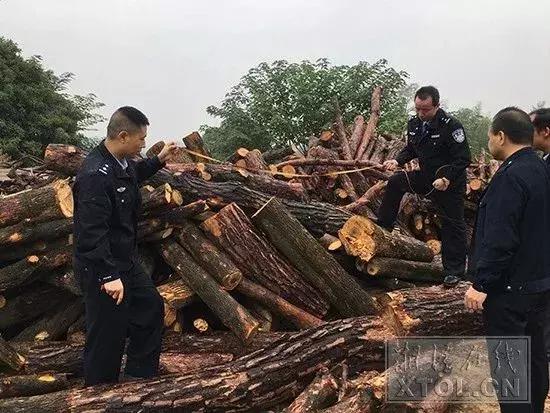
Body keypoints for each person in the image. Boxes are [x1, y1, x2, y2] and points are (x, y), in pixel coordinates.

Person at [73, 106, 177, 385]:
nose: (144, 143)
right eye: (141, 139)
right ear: (122, 136)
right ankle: (98, 394)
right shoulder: (95, 174)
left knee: (150, 308)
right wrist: (108, 276)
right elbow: (90, 233)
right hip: (101, 267)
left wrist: (158, 160)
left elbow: (132, 176)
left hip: (125, 261)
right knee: (108, 334)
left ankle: (139, 379)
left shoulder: (120, 163)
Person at [464, 107, 550, 412]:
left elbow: (501, 238)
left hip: (510, 291)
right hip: (539, 284)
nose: (489, 141)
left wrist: (481, 283)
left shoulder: (511, 176)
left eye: (489, 135)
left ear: (500, 136)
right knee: (536, 358)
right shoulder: (541, 169)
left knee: (511, 366)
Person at [377, 86, 471, 286]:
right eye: (418, 109)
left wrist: (446, 178)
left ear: (437, 105)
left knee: (452, 223)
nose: (421, 113)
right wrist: (398, 161)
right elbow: (411, 148)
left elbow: (463, 159)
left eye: (425, 109)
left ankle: (454, 271)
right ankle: (383, 226)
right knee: (395, 182)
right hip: (427, 177)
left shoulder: (451, 126)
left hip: (449, 183)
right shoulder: (414, 124)